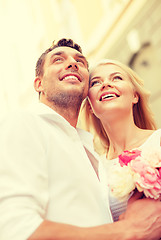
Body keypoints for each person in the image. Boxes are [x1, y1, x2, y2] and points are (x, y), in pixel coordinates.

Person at [0, 39, 161, 240]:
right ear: (39, 84)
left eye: (80, 62)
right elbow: (15, 230)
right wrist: (128, 230)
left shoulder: (88, 153)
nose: (72, 63)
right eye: (58, 59)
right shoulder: (23, 123)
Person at [81, 58, 161, 222]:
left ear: (135, 96)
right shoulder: (94, 169)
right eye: (95, 82)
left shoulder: (158, 141)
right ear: (90, 106)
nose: (106, 84)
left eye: (116, 78)